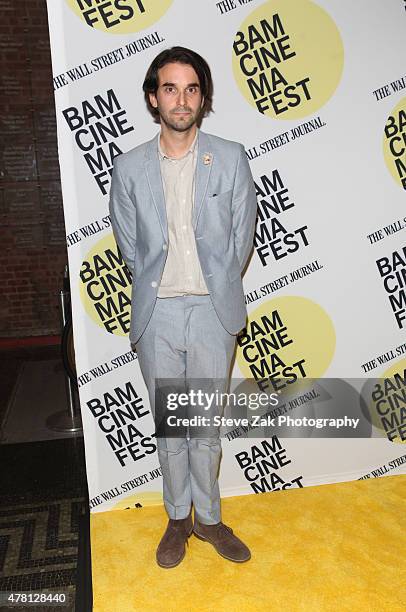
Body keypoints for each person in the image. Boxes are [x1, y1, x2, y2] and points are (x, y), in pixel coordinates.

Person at [109, 46, 257, 568]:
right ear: (154, 98)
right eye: (170, 88)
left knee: (206, 427)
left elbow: (242, 239)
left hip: (213, 313)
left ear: (203, 97)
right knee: (173, 426)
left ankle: (210, 520)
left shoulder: (232, 156)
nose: (181, 99)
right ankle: (177, 519)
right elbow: (131, 247)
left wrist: (213, 290)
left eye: (191, 88)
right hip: (159, 315)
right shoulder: (128, 170)